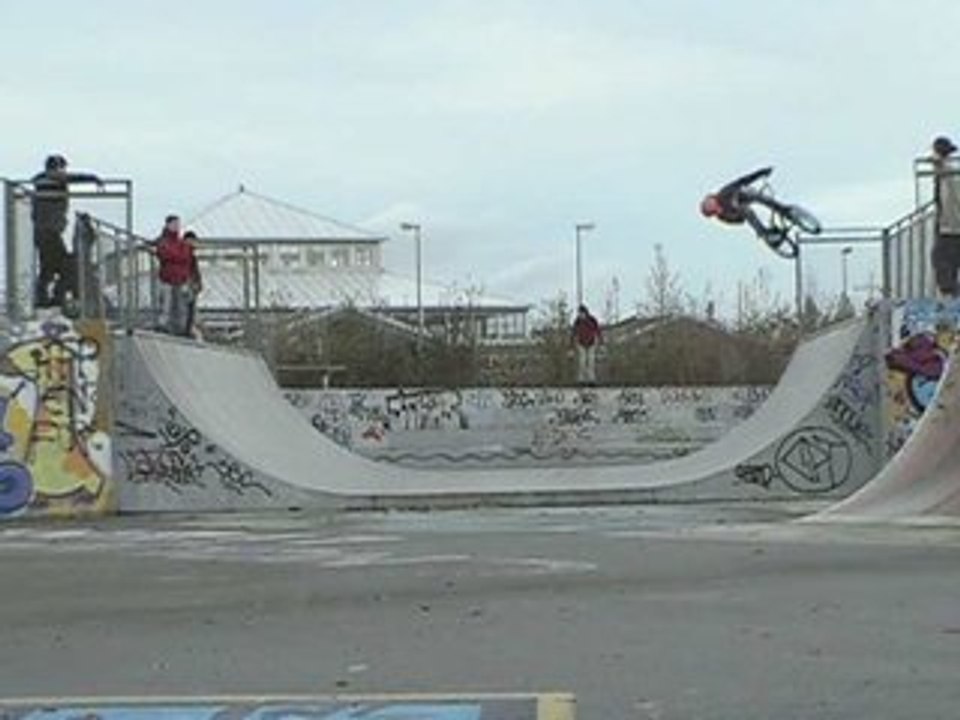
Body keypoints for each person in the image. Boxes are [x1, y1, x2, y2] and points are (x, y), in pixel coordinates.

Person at [30, 154, 102, 307]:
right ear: (56, 168)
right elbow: (69, 178)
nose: (64, 172)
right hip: (49, 231)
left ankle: (45, 298)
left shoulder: (41, 181)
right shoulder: (50, 180)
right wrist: (93, 178)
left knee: (48, 266)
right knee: (64, 266)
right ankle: (50, 298)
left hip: (44, 231)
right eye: (62, 168)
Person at [700, 166, 791, 248]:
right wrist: (736, 215)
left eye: (709, 202)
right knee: (747, 211)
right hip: (742, 209)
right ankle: (764, 234)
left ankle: (781, 208)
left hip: (743, 194)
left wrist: (761, 172)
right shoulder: (722, 216)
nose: (711, 204)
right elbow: (739, 221)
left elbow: (742, 181)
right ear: (711, 212)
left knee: (755, 196)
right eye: (709, 207)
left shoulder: (723, 193)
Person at [154, 215, 196, 336]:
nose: (177, 226)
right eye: (174, 224)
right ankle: (164, 326)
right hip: (167, 278)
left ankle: (181, 328)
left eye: (178, 224)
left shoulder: (181, 243)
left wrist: (174, 256)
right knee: (166, 304)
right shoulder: (163, 241)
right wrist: (177, 256)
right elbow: (165, 255)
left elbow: (184, 257)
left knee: (180, 305)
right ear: (168, 225)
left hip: (180, 278)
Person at [930, 135, 960, 297]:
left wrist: (937, 161)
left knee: (940, 258)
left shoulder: (948, 170)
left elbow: (940, 165)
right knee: (950, 263)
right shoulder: (949, 171)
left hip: (950, 227)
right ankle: (953, 293)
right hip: (949, 226)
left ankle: (950, 292)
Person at [571, 304, 602, 385]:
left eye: (582, 313)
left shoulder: (592, 320)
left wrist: (601, 343)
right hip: (581, 343)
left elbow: (598, 331)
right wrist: (571, 346)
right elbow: (573, 333)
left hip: (591, 343)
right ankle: (581, 380)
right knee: (582, 362)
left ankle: (592, 380)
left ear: (585, 313)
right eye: (579, 314)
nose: (581, 315)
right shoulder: (577, 321)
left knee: (591, 362)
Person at [183, 230, 203, 339]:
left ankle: (188, 328)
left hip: (191, 285)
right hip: (186, 284)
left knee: (191, 308)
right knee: (187, 308)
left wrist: (198, 283)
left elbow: (195, 270)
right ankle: (186, 329)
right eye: (191, 241)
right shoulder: (184, 254)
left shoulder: (192, 255)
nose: (193, 243)